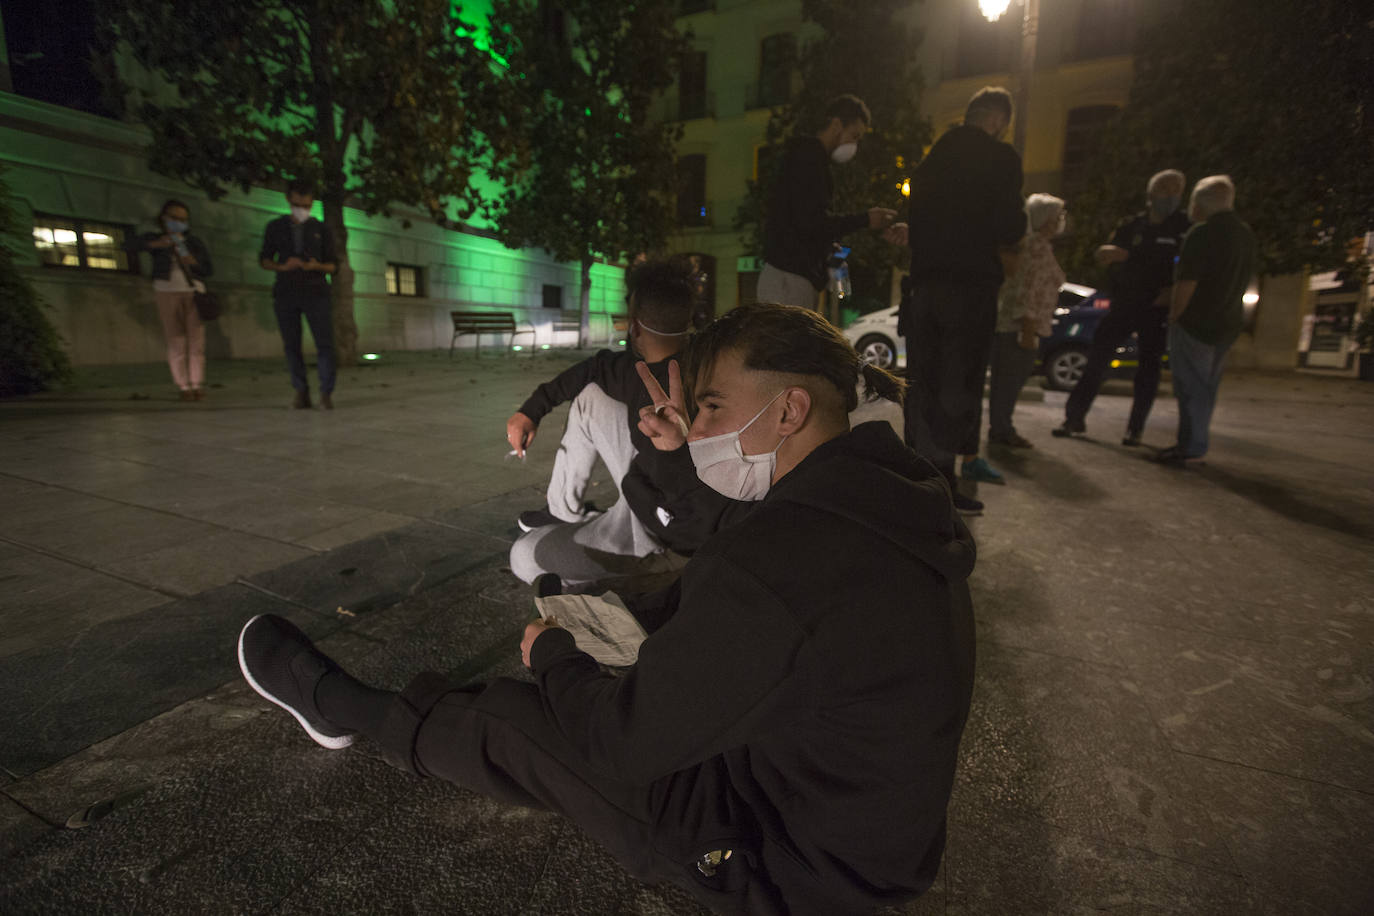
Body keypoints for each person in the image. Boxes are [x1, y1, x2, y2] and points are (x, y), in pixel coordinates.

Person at [237, 302, 975, 915]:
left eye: (713, 406)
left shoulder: (787, 558)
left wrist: (555, 658)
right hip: (861, 831)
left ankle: (340, 707)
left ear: (789, 409)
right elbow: (728, 570)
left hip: (790, 864)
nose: (702, 427)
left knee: (525, 728)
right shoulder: (881, 504)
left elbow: (623, 744)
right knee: (630, 646)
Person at [506, 261, 748, 590]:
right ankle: (563, 510)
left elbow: (703, 510)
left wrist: (675, 451)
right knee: (592, 394)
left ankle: (632, 573)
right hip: (649, 483)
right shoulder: (653, 366)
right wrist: (530, 412)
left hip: (667, 530)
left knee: (523, 555)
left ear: (634, 326)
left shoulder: (697, 384)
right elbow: (592, 368)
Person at [894, 86, 1027, 515]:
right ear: (997, 120)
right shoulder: (1000, 159)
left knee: (923, 381)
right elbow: (1011, 225)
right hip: (969, 286)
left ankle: (919, 475)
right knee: (958, 381)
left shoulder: (929, 163)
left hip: (925, 285)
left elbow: (913, 222)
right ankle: (940, 481)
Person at [1053, 170, 1190, 445]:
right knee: (1096, 361)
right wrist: (1110, 258)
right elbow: (1110, 259)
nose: (1172, 195)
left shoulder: (1183, 227)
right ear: (1151, 193)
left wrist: (1131, 257)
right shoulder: (1132, 226)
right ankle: (1074, 418)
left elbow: (1178, 263)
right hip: (1125, 303)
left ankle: (1135, 429)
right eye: (1166, 188)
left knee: (1148, 370)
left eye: (1177, 189)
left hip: (1157, 307)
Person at [758, 94, 897, 309]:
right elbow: (810, 223)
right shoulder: (808, 160)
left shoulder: (811, 160)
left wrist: (827, 245)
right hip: (790, 279)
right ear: (836, 124)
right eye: (854, 136)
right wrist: (865, 219)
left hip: (793, 276)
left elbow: (805, 222)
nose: (855, 144)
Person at [1157, 175, 1256, 467]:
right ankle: (1195, 443)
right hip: (1227, 323)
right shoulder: (1244, 234)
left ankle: (1189, 445)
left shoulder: (1202, 234)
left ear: (1200, 203)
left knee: (1190, 388)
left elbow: (1188, 282)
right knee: (1207, 388)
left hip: (1197, 323)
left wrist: (1175, 315)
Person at [988, 194, 1067, 448]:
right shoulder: (1036, 247)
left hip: (1020, 325)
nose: (1060, 222)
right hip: (1019, 327)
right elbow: (1027, 287)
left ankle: (1002, 427)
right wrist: (1028, 327)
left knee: (1009, 382)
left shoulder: (1037, 245)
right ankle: (1001, 429)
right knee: (1008, 383)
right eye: (1056, 217)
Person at [259, 179, 338, 409]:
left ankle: (326, 393)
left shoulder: (322, 230)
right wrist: (282, 266)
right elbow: (264, 259)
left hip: (316, 292)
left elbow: (334, 265)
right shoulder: (275, 227)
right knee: (291, 344)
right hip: (286, 292)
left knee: (324, 343)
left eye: (306, 205)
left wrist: (316, 266)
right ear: (288, 200)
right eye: (297, 204)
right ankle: (300, 390)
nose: (301, 210)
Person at [124, 200, 214, 401]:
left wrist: (192, 261)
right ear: (164, 218)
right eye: (174, 218)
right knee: (176, 340)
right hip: (166, 291)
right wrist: (157, 244)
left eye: (183, 219)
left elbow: (208, 269)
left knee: (196, 341)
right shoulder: (156, 239)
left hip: (194, 292)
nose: (178, 223)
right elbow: (129, 245)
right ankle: (183, 385)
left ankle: (197, 383)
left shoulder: (194, 242)